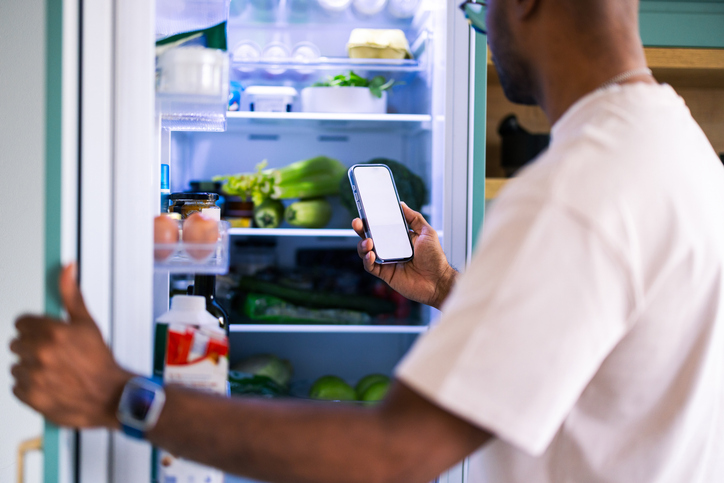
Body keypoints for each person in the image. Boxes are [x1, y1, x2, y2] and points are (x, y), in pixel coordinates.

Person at [10, 0, 724, 481]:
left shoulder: (576, 183)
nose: (484, 27)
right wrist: (449, 289)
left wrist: (120, 396)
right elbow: (607, 367)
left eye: (480, 6)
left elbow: (393, 452)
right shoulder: (680, 148)